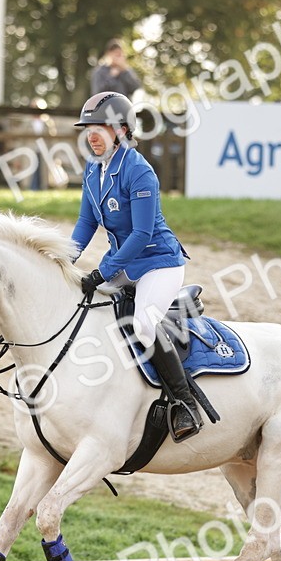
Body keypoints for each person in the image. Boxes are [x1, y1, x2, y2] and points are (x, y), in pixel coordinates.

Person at [71, 91, 201, 442]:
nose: (92, 135)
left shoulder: (138, 170)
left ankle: (184, 403)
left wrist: (103, 270)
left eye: (100, 127)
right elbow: (86, 223)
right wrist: (65, 259)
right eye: (88, 128)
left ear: (122, 130)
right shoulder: (92, 169)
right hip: (126, 264)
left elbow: (142, 234)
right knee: (87, 311)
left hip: (159, 263)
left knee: (143, 324)